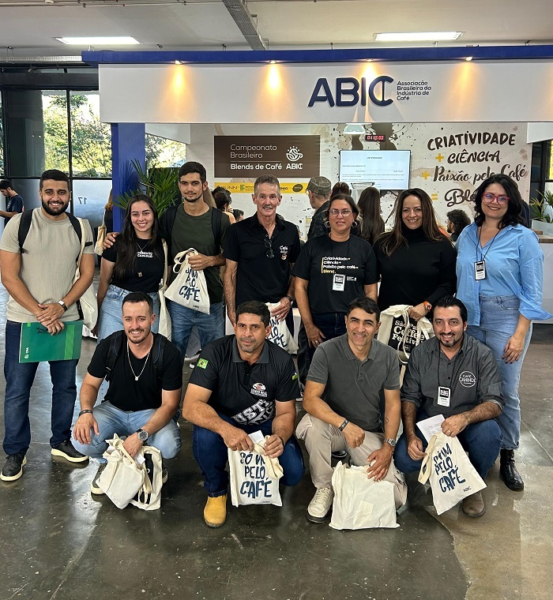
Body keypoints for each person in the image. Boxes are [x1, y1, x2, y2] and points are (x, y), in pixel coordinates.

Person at [456, 174, 551, 491]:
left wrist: (520, 333)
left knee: (505, 390)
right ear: (480, 198)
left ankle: (508, 453)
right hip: (470, 317)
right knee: (470, 387)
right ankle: (476, 446)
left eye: (501, 197)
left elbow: (533, 292)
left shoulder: (523, 238)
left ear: (511, 202)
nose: (494, 201)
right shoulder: (468, 234)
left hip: (506, 318)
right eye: (489, 195)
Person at [0, 169, 95, 481]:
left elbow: (86, 274)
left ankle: (60, 441)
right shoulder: (19, 224)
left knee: (66, 385)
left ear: (69, 194)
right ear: (40, 193)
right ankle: (15, 451)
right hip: (24, 322)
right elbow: (8, 275)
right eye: (50, 192)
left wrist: (61, 306)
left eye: (62, 192)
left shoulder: (81, 228)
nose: (56, 198)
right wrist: (40, 311)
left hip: (66, 321)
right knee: (17, 389)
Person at [182, 301, 305, 527]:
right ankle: (216, 490)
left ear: (267, 330)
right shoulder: (215, 351)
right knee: (205, 432)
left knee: (294, 473)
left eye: (255, 327)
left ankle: (260, 478)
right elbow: (190, 406)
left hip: (265, 427)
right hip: (226, 422)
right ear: (235, 326)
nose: (247, 334)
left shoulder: (282, 361)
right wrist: (225, 429)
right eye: (242, 326)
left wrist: (280, 437)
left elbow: (287, 412)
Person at [297, 297, 407, 523]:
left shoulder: (387, 356)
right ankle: (325, 486)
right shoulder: (326, 351)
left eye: (368, 323)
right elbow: (309, 400)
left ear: (377, 327)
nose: (360, 328)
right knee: (311, 424)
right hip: (336, 428)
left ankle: (364, 471)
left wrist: (388, 447)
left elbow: (393, 404)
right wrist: (343, 425)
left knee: (394, 500)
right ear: (346, 322)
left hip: (368, 432)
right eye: (354, 321)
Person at [394, 296, 503, 518]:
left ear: (464, 324)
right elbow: (409, 398)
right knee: (404, 459)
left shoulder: (482, 355)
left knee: (490, 434)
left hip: (469, 423)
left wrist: (464, 418)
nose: (446, 329)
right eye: (439, 322)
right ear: (432, 324)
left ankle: (473, 484)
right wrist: (411, 433)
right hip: (431, 421)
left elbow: (495, 403)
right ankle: (445, 475)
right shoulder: (420, 354)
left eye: (453, 322)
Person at [73, 292, 182, 494]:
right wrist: (86, 412)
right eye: (128, 319)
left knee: (169, 445)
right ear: (122, 319)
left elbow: (170, 405)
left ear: (152, 318)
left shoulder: (168, 353)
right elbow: (89, 384)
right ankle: (111, 462)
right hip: (114, 409)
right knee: (80, 439)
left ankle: (152, 460)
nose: (135, 326)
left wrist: (141, 434)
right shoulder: (110, 345)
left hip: (151, 412)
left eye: (141, 319)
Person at [294, 193, 378, 361]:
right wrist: (309, 325)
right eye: (335, 211)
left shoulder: (364, 249)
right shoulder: (313, 246)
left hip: (353, 324)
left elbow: (370, 291)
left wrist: (365, 324)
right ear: (328, 216)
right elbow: (299, 287)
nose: (340, 216)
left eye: (345, 211)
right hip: (318, 323)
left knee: (350, 376)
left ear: (354, 215)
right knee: (316, 378)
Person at [224, 175, 301, 333]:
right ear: (254, 198)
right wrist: (231, 311)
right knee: (248, 357)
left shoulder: (291, 231)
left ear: (279, 199)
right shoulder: (237, 231)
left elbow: (297, 272)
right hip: (247, 312)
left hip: (280, 311)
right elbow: (230, 273)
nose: (268, 202)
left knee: (280, 357)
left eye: (272, 197)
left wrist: (289, 298)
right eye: (262, 196)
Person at [373, 188, 457, 321]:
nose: (412, 215)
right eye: (406, 210)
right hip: (387, 322)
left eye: (418, 209)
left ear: (426, 211)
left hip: (426, 321)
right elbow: (370, 282)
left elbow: (449, 284)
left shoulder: (441, 245)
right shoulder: (384, 243)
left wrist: (427, 305)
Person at [95, 194, 166, 341]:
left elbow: (167, 280)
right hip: (115, 305)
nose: (141, 219)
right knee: (110, 355)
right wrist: (97, 315)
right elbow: (104, 282)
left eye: (146, 213)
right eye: (135, 214)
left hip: (149, 306)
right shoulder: (116, 242)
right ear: (129, 217)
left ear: (154, 214)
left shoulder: (164, 245)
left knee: (144, 357)